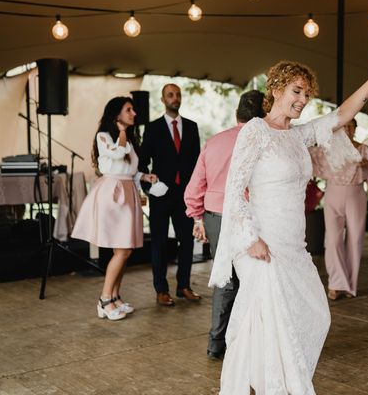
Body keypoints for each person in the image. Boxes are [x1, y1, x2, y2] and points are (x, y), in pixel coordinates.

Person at [209, 47, 368, 394]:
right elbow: (235, 189)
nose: (303, 99)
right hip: (262, 245)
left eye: (307, 93)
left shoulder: (298, 135)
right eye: (296, 91)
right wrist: (250, 239)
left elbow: (339, 115)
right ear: (275, 89)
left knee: (316, 314)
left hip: (293, 246)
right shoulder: (255, 132)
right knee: (265, 327)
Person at [184, 90, 265, 360]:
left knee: (225, 281)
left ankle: (216, 343)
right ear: (263, 115)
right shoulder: (264, 142)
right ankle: (250, 343)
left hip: (216, 217)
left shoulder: (215, 142)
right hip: (254, 218)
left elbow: (195, 186)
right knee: (256, 280)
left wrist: (197, 217)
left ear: (236, 114)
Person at [72, 97, 157, 320]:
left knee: (124, 250)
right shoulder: (104, 137)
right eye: (129, 110)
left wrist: (143, 176)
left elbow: (128, 169)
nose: (134, 113)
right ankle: (104, 300)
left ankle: (115, 296)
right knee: (122, 250)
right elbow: (116, 154)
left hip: (127, 192)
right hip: (113, 195)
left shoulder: (127, 138)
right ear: (116, 115)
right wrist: (120, 133)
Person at [139, 83, 201, 306]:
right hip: (160, 195)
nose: (175, 98)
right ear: (163, 100)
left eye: (177, 95)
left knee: (186, 241)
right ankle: (161, 290)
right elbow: (142, 163)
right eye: (170, 95)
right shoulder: (153, 128)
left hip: (185, 196)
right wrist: (148, 186)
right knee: (159, 243)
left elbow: (197, 165)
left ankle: (183, 286)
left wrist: (197, 194)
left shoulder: (192, 128)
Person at [309, 118, 368, 299]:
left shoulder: (364, 150)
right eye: (344, 126)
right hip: (333, 192)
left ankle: (350, 285)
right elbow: (307, 156)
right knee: (333, 240)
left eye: (351, 126)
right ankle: (336, 283)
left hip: (356, 194)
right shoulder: (328, 149)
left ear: (355, 129)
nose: (347, 129)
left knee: (355, 239)